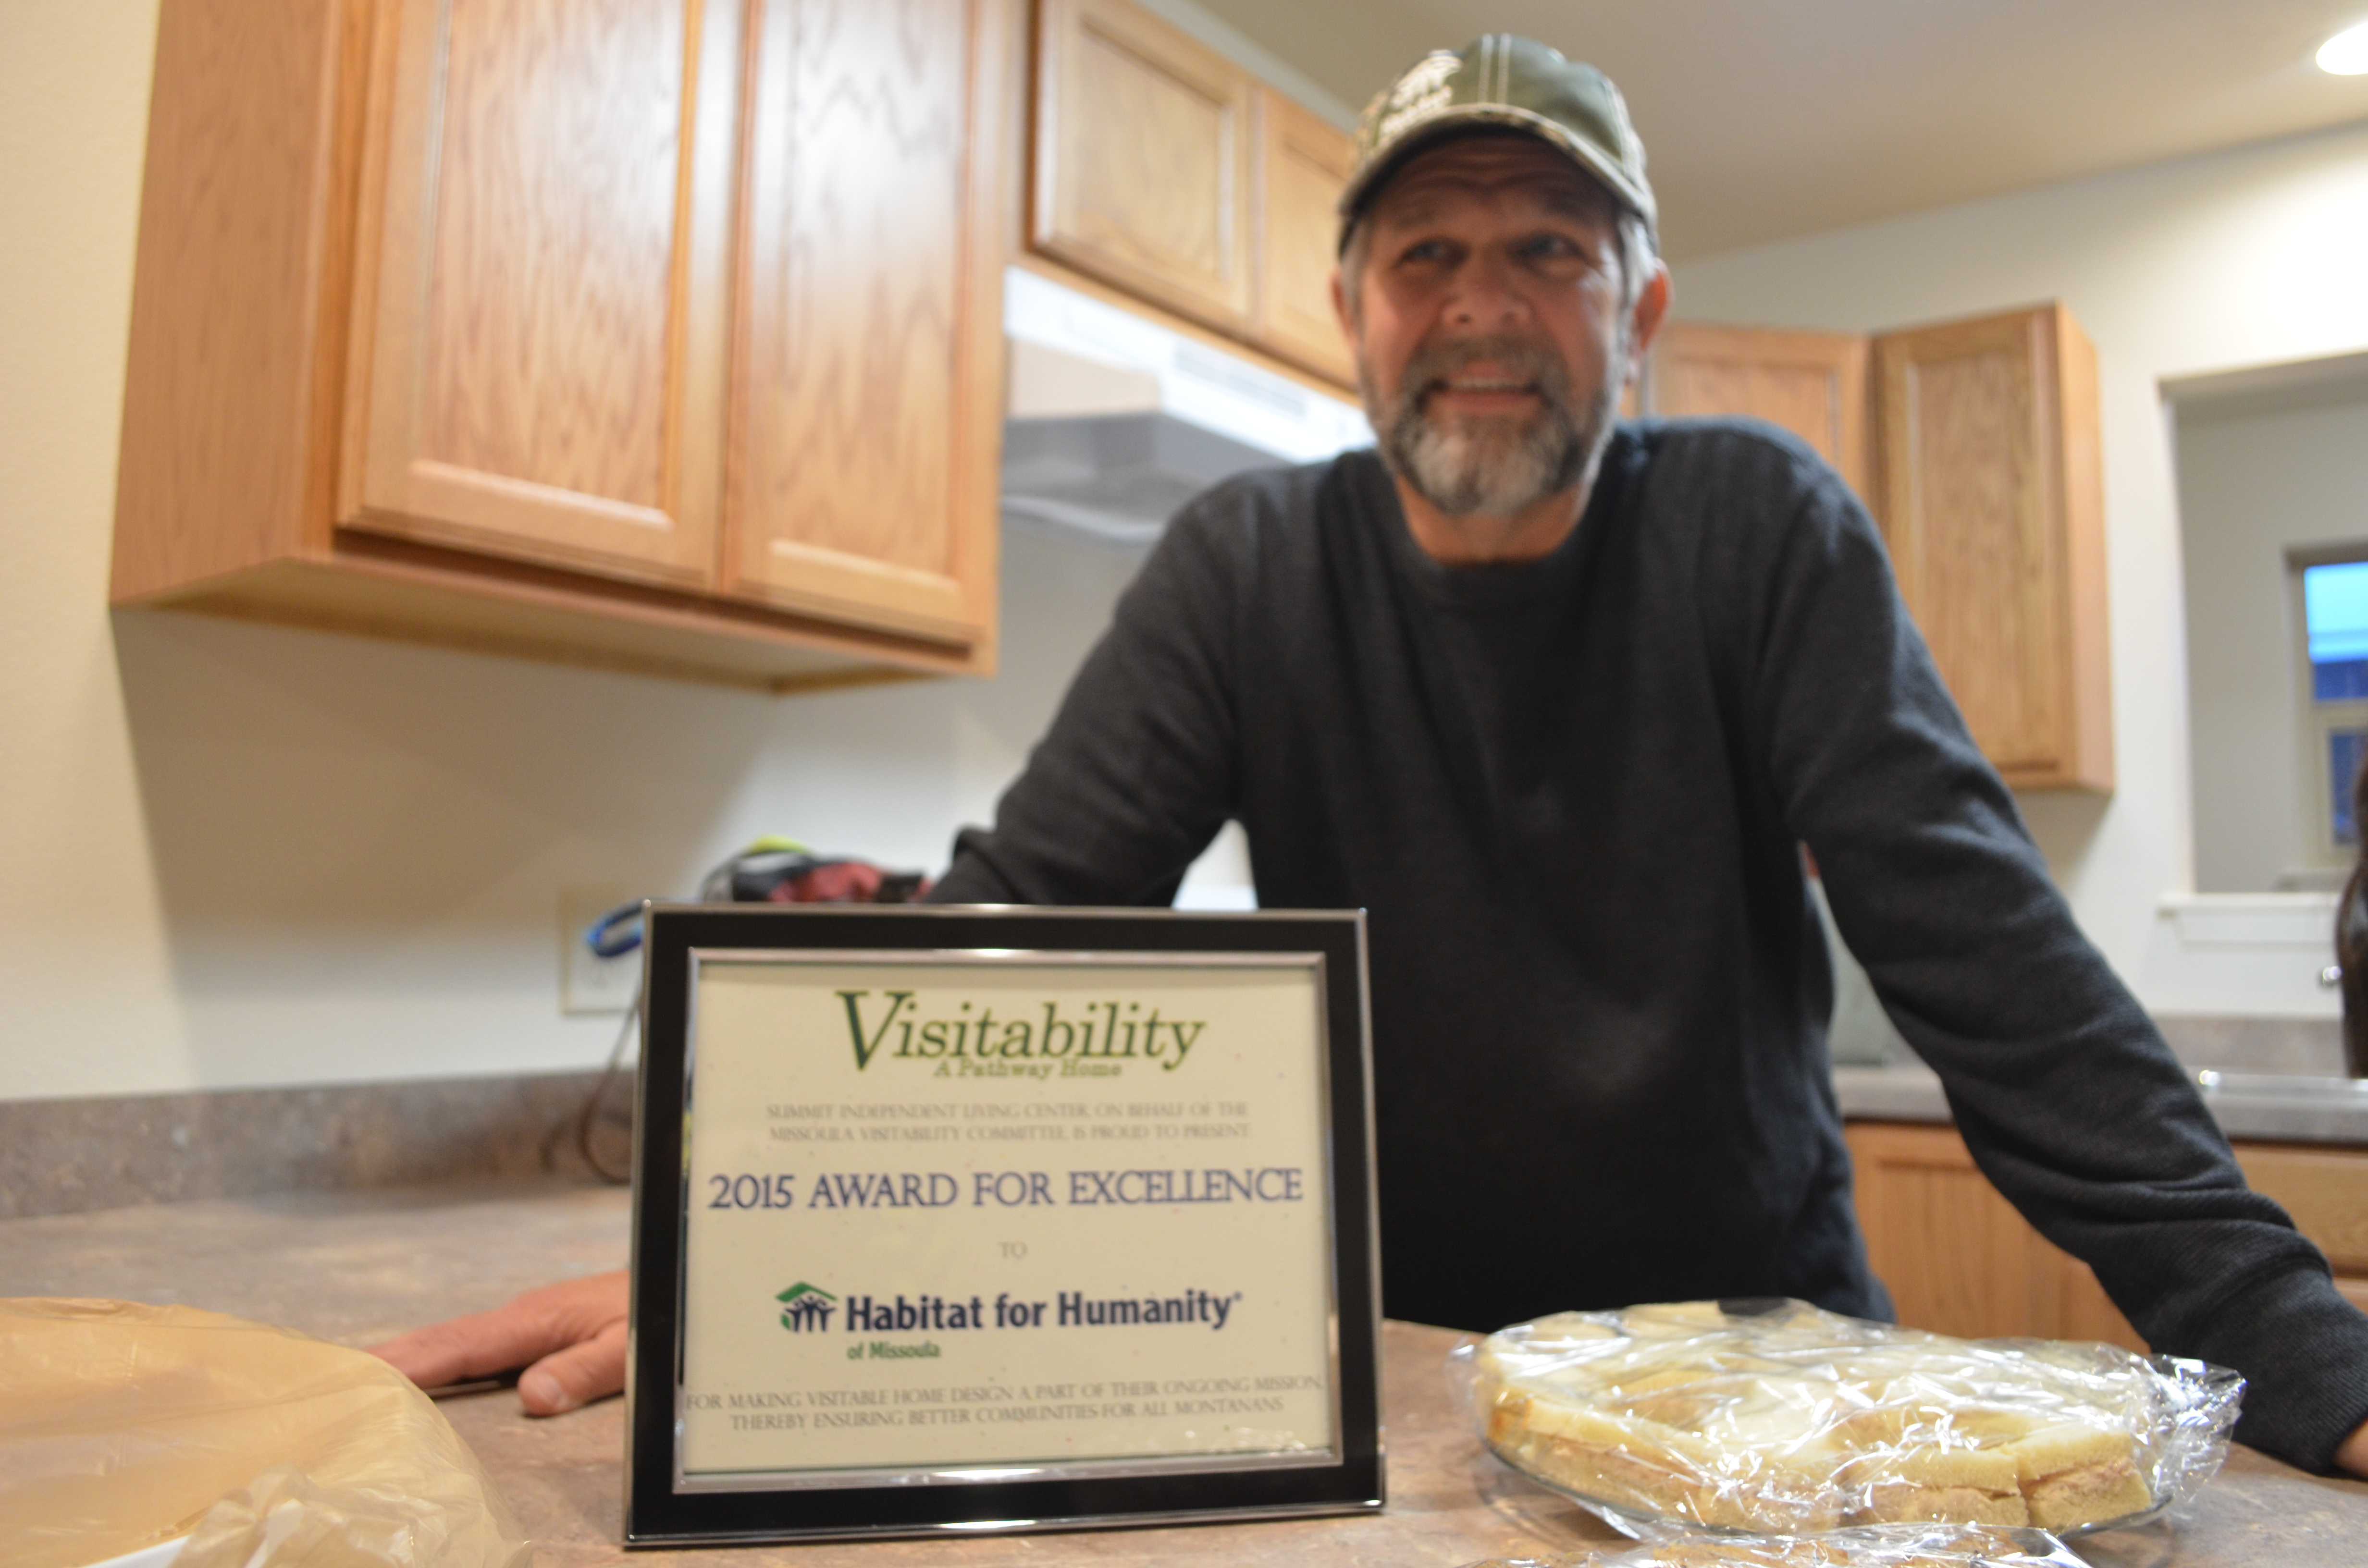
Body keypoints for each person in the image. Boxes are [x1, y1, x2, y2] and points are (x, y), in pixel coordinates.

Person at [371, 36, 2368, 1477]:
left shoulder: (1757, 532)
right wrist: (736, 1238)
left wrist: (2301, 1350)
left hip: (1763, 1372)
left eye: (1548, 254)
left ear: (1643, 308)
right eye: (1425, 255)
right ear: (1346, 311)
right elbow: (1017, 932)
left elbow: (1987, 964)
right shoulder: (1249, 566)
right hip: (1388, 1375)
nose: (1481, 310)